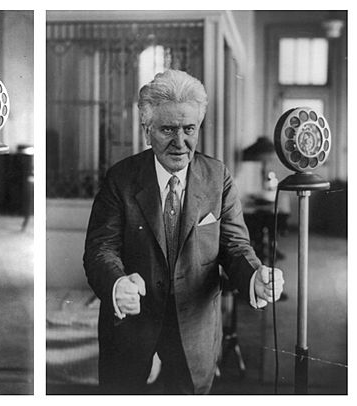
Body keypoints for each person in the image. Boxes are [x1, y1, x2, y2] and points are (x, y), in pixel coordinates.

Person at [83, 69, 284, 394]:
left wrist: (254, 276)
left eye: (189, 129)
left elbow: (234, 247)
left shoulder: (218, 177)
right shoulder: (121, 179)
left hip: (195, 328)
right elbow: (99, 250)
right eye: (167, 130)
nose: (180, 142)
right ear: (147, 130)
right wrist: (117, 283)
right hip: (131, 328)